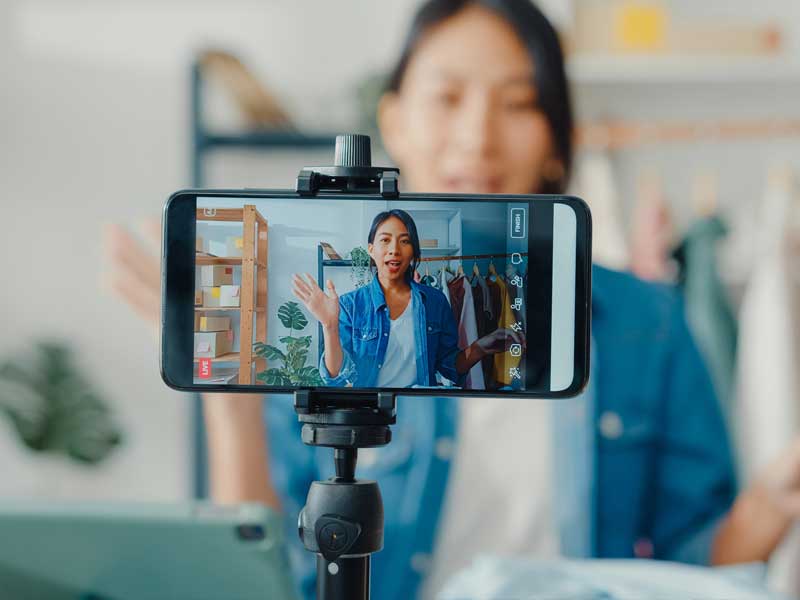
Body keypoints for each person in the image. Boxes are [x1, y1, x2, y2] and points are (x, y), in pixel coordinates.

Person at [107, 1, 800, 598]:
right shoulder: (342, 319)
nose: (478, 134)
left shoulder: (647, 324)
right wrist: (228, 404)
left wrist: (771, 506)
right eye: (447, 97)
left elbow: (686, 572)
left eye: (519, 102)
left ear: (558, 138)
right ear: (395, 119)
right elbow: (268, 573)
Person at [291, 209, 522, 388]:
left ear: (413, 251)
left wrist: (480, 347)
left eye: (404, 241)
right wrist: (330, 326)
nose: (394, 249)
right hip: (368, 412)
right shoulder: (350, 306)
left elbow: (450, 366)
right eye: (385, 240)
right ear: (371, 249)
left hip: (420, 413)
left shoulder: (435, 301)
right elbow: (336, 377)